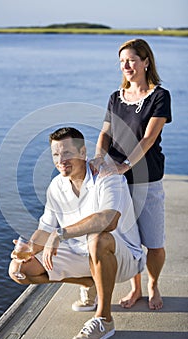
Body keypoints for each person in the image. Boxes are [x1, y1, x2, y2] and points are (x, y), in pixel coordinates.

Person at [9, 127, 146, 339]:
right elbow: (45, 228)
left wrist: (60, 234)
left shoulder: (108, 175)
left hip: (124, 258)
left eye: (67, 153)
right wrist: (28, 249)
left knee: (97, 238)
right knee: (19, 270)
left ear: (83, 152)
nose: (61, 160)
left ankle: (104, 319)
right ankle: (90, 282)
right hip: (82, 255)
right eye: (56, 154)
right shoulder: (56, 186)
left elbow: (108, 221)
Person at [90, 38, 172, 310]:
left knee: (154, 242)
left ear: (146, 62)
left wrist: (126, 164)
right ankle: (135, 287)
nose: (126, 65)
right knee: (128, 238)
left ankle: (153, 284)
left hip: (146, 179)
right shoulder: (116, 97)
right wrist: (99, 157)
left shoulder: (160, 96)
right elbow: (105, 132)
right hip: (115, 180)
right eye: (122, 61)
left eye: (132, 60)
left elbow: (148, 139)